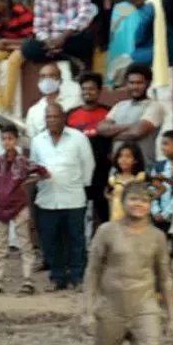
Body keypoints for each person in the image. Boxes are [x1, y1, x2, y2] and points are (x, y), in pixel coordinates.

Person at [80, 181, 173, 345]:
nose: (138, 204)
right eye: (133, 199)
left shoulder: (157, 237)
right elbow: (92, 272)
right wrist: (87, 311)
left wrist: (172, 317)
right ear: (122, 202)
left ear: (150, 205)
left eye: (143, 200)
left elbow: (165, 278)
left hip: (145, 306)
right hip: (111, 307)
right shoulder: (107, 231)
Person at [30, 102, 95, 290]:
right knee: (51, 241)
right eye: (48, 117)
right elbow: (34, 168)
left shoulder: (78, 138)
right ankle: (57, 277)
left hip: (73, 197)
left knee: (76, 240)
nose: (52, 121)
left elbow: (88, 166)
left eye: (55, 117)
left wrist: (78, 184)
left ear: (63, 118)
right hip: (47, 199)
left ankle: (78, 278)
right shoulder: (38, 141)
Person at [0, 124, 45, 294]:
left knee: (25, 244)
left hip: (20, 206)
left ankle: (27, 280)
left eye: (10, 139)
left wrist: (26, 183)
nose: (7, 142)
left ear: (16, 140)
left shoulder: (23, 161)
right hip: (2, 206)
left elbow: (43, 172)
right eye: (4, 139)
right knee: (0, 245)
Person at [23, 0, 98, 70]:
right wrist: (48, 41)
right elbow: (39, 27)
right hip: (50, 42)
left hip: (71, 39)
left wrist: (64, 37)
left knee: (87, 37)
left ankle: (82, 68)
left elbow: (84, 17)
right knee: (28, 47)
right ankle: (66, 57)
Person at [66, 72, 112, 231]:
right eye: (84, 89)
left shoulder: (109, 112)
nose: (87, 92)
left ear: (99, 91)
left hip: (102, 170)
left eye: (92, 89)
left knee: (103, 208)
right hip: (77, 171)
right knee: (78, 209)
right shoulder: (71, 114)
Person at [96, 64, 165, 169]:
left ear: (148, 83)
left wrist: (112, 135)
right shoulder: (119, 105)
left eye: (139, 83)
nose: (135, 87)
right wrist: (131, 126)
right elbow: (100, 129)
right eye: (131, 83)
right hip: (117, 170)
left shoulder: (155, 107)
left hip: (142, 169)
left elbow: (136, 133)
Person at [25, 61, 82, 140]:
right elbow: (32, 139)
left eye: (51, 76)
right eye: (43, 76)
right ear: (39, 81)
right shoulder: (33, 111)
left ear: (60, 80)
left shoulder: (73, 102)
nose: (47, 80)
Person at [149, 130, 173, 238]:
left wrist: (167, 213)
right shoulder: (158, 166)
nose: (162, 147)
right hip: (157, 215)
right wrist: (155, 211)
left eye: (166, 144)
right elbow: (152, 189)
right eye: (162, 144)